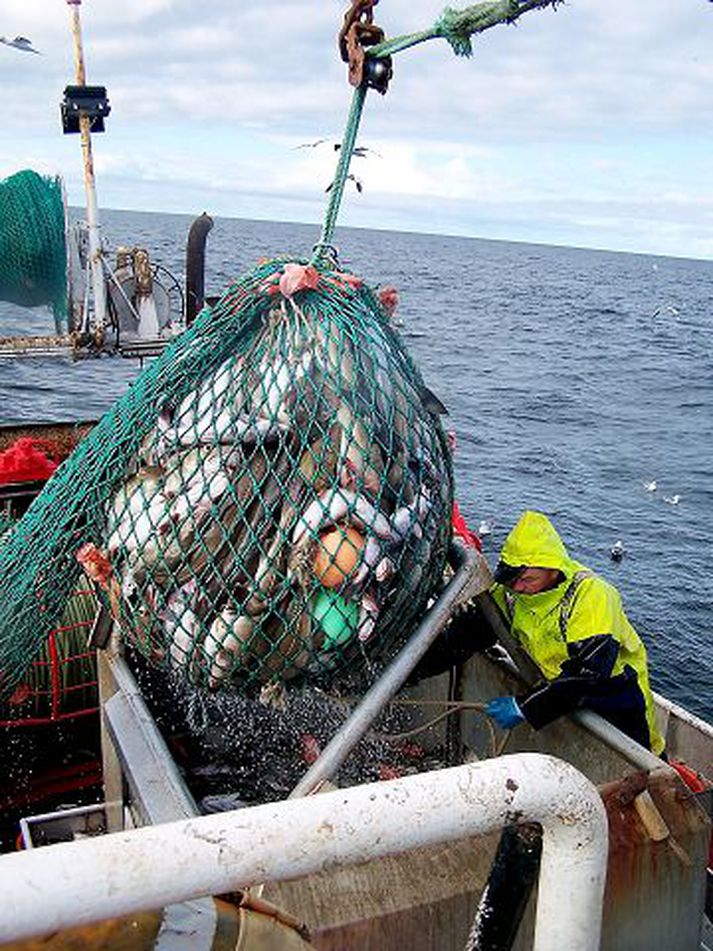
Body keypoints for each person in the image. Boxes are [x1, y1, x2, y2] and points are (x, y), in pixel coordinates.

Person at [482, 510, 665, 755]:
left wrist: (525, 707)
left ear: (553, 570)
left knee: (641, 760)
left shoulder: (592, 596)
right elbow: (471, 632)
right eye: (512, 579)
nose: (517, 587)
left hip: (617, 695)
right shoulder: (508, 593)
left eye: (527, 579)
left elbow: (588, 673)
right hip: (560, 690)